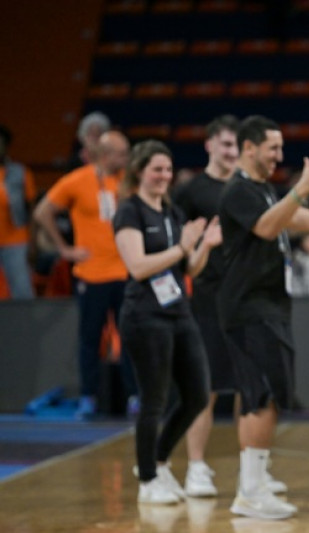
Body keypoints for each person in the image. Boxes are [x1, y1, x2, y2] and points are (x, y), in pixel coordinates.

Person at [217, 115, 309, 520]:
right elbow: (269, 227)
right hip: (249, 307)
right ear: (248, 148)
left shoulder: (261, 189)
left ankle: (256, 478)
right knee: (261, 398)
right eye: (273, 148)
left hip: (267, 304)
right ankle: (250, 492)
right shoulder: (237, 191)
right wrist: (302, 189)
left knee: (262, 396)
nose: (279, 155)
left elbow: (289, 217)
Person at [113, 140, 220, 504]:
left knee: (196, 395)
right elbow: (138, 266)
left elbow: (187, 268)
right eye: (157, 169)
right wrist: (183, 246)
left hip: (178, 312)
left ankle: (157, 462)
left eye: (168, 170)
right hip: (144, 316)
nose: (164, 176)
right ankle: (146, 480)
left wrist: (203, 245)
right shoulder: (129, 211)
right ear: (139, 171)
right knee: (154, 399)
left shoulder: (171, 211)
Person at [172, 115, 268, 498]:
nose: (231, 152)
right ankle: (196, 466)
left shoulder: (250, 187)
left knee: (252, 384)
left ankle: (252, 471)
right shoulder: (191, 191)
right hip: (209, 298)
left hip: (248, 297)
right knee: (206, 386)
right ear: (210, 145)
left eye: (236, 146)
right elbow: (182, 246)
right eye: (225, 145)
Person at [34, 130, 136, 419]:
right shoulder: (77, 181)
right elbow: (43, 212)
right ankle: (88, 397)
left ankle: (134, 396)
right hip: (91, 274)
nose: (126, 158)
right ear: (105, 155)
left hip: (125, 270)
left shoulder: (127, 180)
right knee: (89, 339)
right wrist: (64, 250)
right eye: (122, 153)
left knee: (129, 337)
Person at [0, 124, 36, 299]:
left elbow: (32, 209)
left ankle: (26, 326)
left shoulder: (19, 173)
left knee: (22, 291)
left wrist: (33, 242)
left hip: (16, 240)